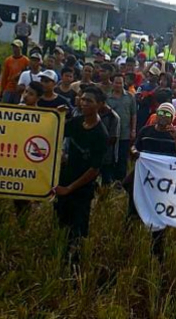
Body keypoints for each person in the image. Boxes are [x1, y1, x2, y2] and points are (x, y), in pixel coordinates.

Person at [54, 85, 108, 264]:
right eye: (82, 99)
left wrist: (70, 188)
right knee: (62, 223)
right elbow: (56, 131)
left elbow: (94, 169)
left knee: (77, 230)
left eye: (89, 101)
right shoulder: (77, 123)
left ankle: (74, 265)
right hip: (64, 182)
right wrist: (58, 115)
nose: (83, 103)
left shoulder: (101, 134)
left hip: (81, 189)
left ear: (99, 105)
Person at [131, 103, 176, 261]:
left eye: (168, 114)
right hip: (143, 179)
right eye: (161, 112)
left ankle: (157, 248)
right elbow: (134, 148)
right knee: (134, 207)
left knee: (158, 214)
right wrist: (135, 152)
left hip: (163, 183)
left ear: (172, 118)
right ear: (156, 114)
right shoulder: (146, 131)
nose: (163, 116)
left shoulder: (175, 134)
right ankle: (132, 240)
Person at [12, 81, 45, 224]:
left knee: (25, 193)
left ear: (38, 98)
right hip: (16, 156)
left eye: (31, 94)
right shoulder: (17, 109)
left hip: (30, 158)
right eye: (25, 92)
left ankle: (25, 222)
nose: (26, 96)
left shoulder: (44, 116)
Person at [107, 73, 137, 181]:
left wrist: (133, 130)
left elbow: (133, 114)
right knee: (110, 157)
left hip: (125, 133)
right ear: (112, 83)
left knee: (122, 157)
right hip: (110, 133)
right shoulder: (107, 98)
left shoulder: (130, 97)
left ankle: (121, 181)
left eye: (121, 83)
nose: (118, 85)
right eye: (116, 82)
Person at [98, 97, 121, 185]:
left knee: (106, 180)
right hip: (92, 155)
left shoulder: (113, 117)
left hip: (106, 155)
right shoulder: (93, 113)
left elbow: (113, 139)